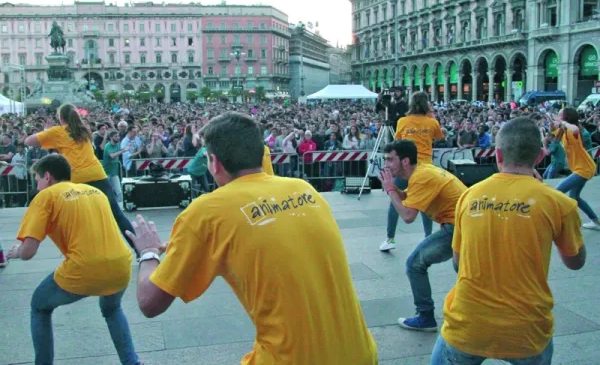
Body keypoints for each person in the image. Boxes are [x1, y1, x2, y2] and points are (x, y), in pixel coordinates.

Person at [124, 112, 378, 364]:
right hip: (362, 353)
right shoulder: (303, 189)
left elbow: (149, 303)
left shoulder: (207, 213)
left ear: (214, 162)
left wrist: (148, 253)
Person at [432, 117, 586, 364]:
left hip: (467, 323)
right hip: (527, 330)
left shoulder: (469, 196)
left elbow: (458, 263)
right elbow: (575, 262)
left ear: (498, 154)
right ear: (540, 156)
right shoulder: (559, 204)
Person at [6, 154, 143, 365]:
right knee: (112, 309)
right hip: (121, 264)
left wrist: (15, 251)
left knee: (39, 307)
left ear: (48, 177)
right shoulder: (96, 192)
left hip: (84, 268)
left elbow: (28, 252)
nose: (38, 185)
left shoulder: (46, 196)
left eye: (38, 180)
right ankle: (132, 362)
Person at [379, 139, 466, 332]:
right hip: (464, 224)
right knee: (463, 270)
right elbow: (407, 197)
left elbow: (408, 216)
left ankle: (426, 317)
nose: (386, 164)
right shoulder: (423, 171)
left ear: (405, 161)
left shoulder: (422, 176)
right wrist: (392, 189)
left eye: (390, 159)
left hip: (458, 226)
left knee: (414, 264)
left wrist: (391, 189)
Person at [24, 103, 136, 250]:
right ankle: (140, 250)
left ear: (60, 117)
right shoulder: (84, 130)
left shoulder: (57, 132)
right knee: (117, 215)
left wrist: (46, 130)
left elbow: (28, 141)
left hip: (76, 180)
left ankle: (88, 252)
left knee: (81, 219)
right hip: (97, 174)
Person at [381, 91, 444, 252]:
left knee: (394, 200)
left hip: (405, 167)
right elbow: (439, 137)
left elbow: (397, 140)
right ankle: (428, 236)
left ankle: (390, 238)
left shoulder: (403, 121)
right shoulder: (431, 122)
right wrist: (430, 116)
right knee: (426, 204)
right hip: (425, 168)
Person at [554, 107, 600, 230]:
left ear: (566, 118)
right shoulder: (563, 131)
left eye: (560, 114)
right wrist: (553, 123)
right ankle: (595, 221)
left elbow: (574, 128)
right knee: (574, 196)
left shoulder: (574, 130)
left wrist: (562, 123)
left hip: (584, 168)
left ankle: (563, 221)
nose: (558, 116)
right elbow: (551, 133)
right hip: (580, 168)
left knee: (557, 191)